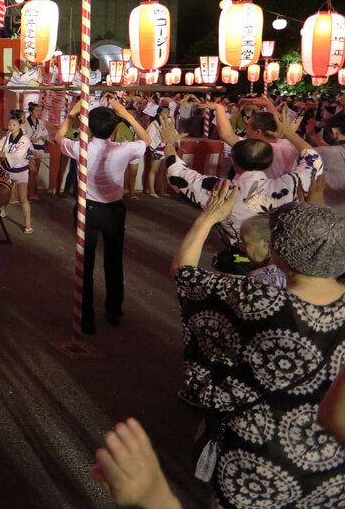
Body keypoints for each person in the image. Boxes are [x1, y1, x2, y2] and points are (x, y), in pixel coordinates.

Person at [169, 183, 345, 509]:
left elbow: (184, 274)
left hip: (256, 460)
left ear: (279, 250)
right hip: (330, 469)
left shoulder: (258, 300)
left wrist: (207, 219)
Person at [162, 109, 322, 273]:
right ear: (267, 163)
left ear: (234, 162)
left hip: (236, 262)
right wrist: (289, 134)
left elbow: (177, 174)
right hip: (280, 263)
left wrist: (168, 144)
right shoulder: (288, 186)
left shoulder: (221, 191)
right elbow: (313, 159)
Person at [54, 99, 150, 334]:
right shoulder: (123, 149)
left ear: (88, 127)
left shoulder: (82, 148)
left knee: (85, 264)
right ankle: (114, 311)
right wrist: (126, 115)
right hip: (114, 210)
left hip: (89, 210)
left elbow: (58, 139)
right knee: (114, 262)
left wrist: (71, 116)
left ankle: (86, 317)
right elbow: (147, 140)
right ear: (114, 128)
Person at [0, 109, 34, 233]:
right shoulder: (6, 137)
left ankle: (28, 225)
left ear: (20, 125)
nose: (11, 128)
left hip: (21, 171)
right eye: (9, 125)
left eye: (14, 125)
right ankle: (2, 211)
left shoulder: (25, 140)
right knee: (5, 193)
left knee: (23, 198)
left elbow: (18, 156)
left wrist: (4, 155)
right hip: (8, 170)